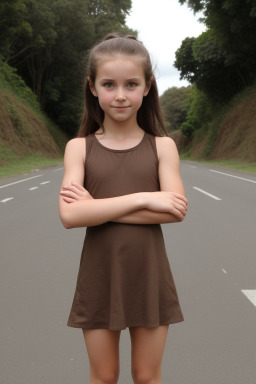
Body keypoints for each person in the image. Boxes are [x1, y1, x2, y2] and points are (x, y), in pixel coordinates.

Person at [59, 33, 188, 384]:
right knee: (103, 377)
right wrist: (144, 197)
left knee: (147, 377)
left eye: (131, 84)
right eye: (108, 84)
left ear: (147, 87)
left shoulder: (163, 146)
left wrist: (96, 207)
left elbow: (174, 210)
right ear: (92, 87)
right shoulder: (78, 148)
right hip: (99, 276)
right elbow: (70, 215)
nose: (119, 95)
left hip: (150, 275)